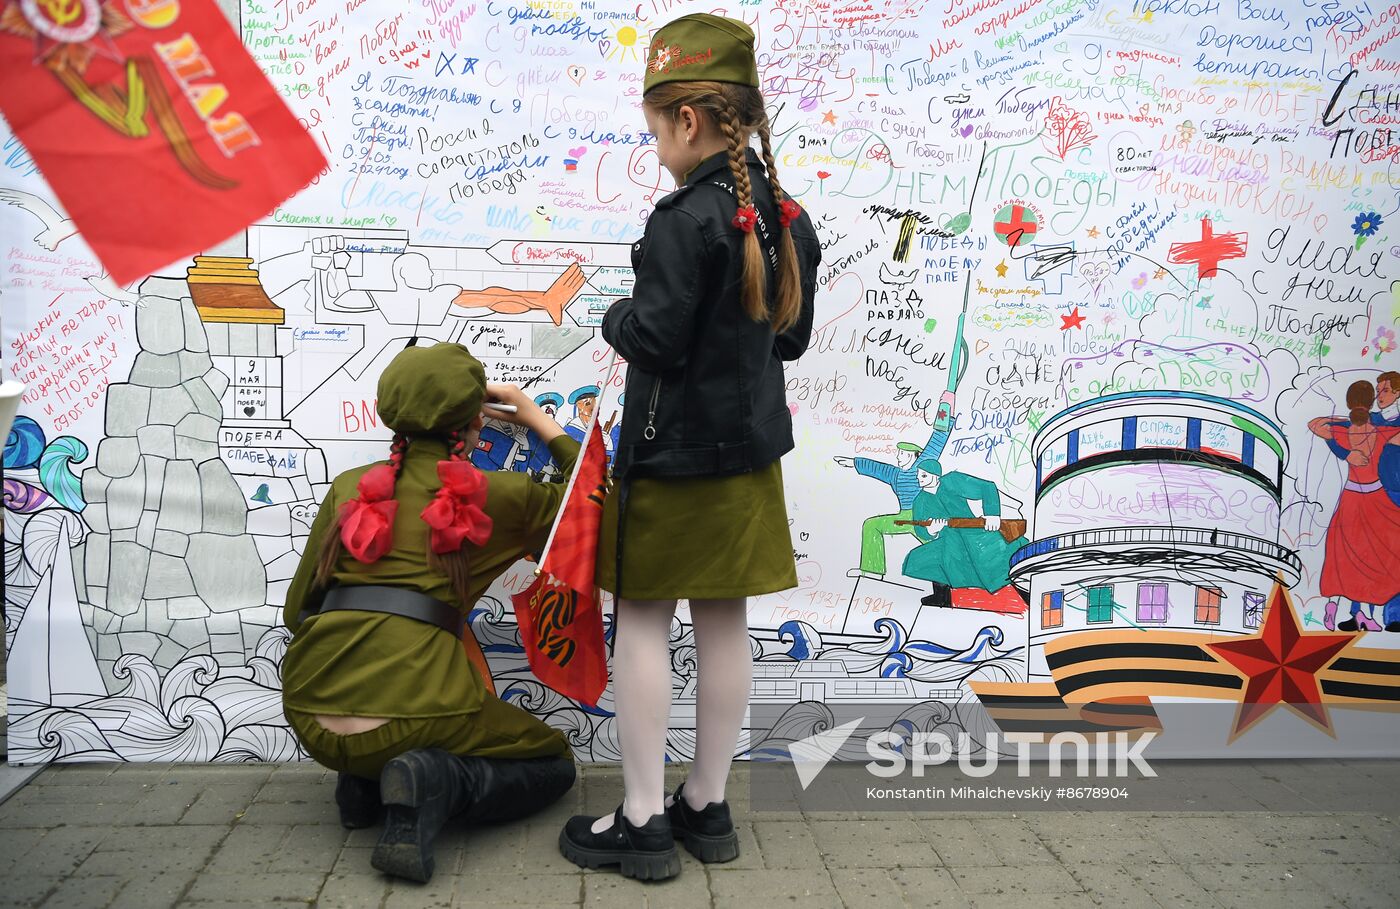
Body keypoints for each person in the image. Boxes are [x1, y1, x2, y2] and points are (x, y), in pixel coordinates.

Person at [556, 13, 820, 882]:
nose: (658, 150)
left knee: (639, 621)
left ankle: (640, 820)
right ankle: (706, 806)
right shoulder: (783, 216)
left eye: (656, 132)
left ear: (690, 122)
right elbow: (791, 340)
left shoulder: (682, 220)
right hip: (747, 467)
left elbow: (656, 341)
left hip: (671, 468)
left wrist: (612, 315)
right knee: (724, 624)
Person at [280, 342, 584, 883]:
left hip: (310, 710)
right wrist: (533, 414)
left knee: (391, 725)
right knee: (555, 762)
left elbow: (297, 610)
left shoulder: (350, 487)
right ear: (473, 423)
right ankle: (428, 779)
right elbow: (589, 497)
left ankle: (364, 781)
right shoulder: (499, 493)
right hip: (419, 711)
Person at [1309, 379, 1400, 632]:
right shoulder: (1381, 431)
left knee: (1352, 554)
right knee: (1376, 556)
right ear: (1371, 401)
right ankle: (1363, 612)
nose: (1381, 396)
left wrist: (1340, 448)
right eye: (1378, 392)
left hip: (1352, 497)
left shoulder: (1344, 430)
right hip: (1375, 498)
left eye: (1386, 391)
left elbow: (1315, 424)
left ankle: (1356, 612)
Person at [900, 459, 1028, 605]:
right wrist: (931, 531)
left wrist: (993, 514)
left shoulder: (952, 481)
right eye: (918, 475)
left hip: (974, 532)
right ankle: (942, 596)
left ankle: (1025, 591)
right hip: (948, 541)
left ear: (936, 476)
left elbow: (987, 487)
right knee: (918, 558)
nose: (918, 478)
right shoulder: (920, 501)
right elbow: (920, 530)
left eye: (923, 475)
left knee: (1000, 553)